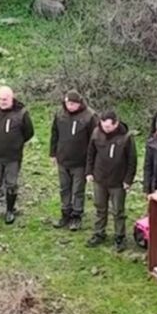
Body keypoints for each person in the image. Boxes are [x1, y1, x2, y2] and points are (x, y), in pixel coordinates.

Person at [85, 109, 137, 251]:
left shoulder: (126, 138)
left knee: (118, 211)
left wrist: (128, 180)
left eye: (108, 126)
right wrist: (89, 171)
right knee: (100, 208)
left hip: (118, 182)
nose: (105, 129)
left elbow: (132, 160)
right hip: (100, 179)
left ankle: (120, 237)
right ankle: (99, 233)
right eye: (103, 125)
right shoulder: (96, 133)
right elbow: (91, 153)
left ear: (116, 124)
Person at [0, 85, 34, 224]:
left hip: (13, 157)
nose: (2, 102)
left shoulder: (22, 113)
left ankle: (10, 211)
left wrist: (16, 144)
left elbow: (29, 133)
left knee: (11, 184)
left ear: (11, 98)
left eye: (5, 99)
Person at [49, 90, 97, 231]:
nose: (69, 106)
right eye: (67, 103)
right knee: (64, 188)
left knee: (78, 190)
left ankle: (76, 215)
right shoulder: (60, 115)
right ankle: (65, 213)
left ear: (79, 103)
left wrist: (91, 163)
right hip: (63, 159)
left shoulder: (89, 117)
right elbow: (54, 134)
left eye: (72, 104)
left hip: (80, 162)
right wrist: (53, 153)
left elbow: (95, 140)